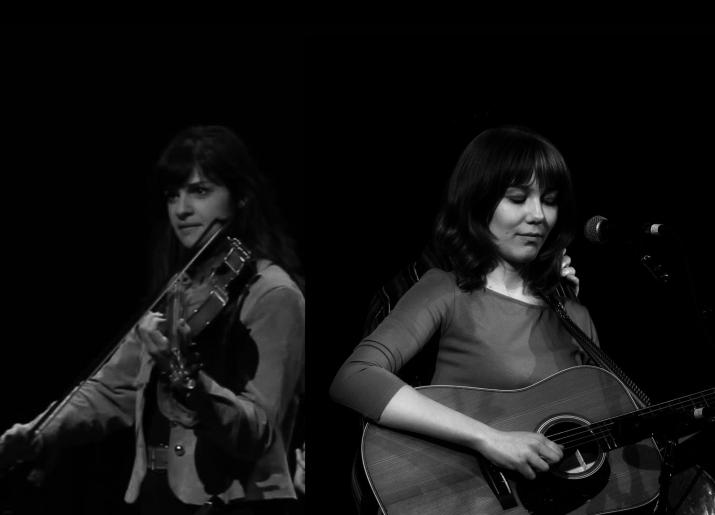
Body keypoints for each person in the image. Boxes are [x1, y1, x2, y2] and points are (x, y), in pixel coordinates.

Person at [0, 125, 305, 514]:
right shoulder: (180, 289)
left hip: (236, 501)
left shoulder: (273, 294)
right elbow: (114, 389)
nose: (182, 210)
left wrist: (193, 386)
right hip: (159, 497)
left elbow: (258, 430)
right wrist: (41, 433)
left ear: (241, 198)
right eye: (172, 195)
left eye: (200, 191)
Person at [330, 126, 592, 483]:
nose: (538, 216)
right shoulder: (446, 290)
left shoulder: (575, 315)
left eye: (549, 200)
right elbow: (354, 377)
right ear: (479, 202)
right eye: (517, 198)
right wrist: (489, 438)